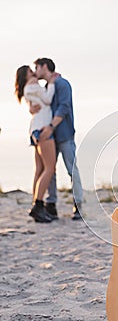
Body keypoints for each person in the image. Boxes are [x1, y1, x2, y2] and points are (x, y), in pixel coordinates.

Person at [32, 58, 83, 220]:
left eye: (37, 67)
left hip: (64, 134)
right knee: (51, 170)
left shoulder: (62, 84)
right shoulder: (47, 87)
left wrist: (51, 127)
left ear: (44, 66)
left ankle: (79, 205)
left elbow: (64, 107)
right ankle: (51, 205)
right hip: (50, 137)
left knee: (71, 169)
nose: (35, 71)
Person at [15, 65, 56, 223]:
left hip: (34, 129)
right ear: (27, 76)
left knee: (39, 169)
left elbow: (35, 105)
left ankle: (36, 204)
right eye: (31, 72)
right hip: (43, 128)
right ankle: (38, 206)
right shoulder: (33, 84)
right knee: (49, 168)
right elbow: (48, 99)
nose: (34, 74)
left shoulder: (27, 88)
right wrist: (51, 82)